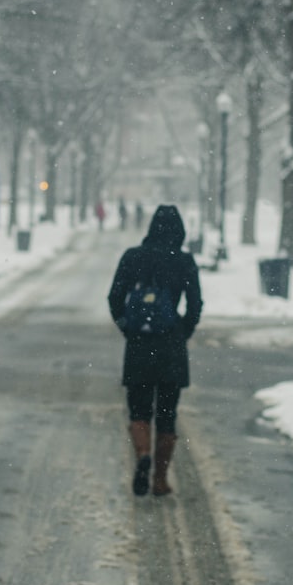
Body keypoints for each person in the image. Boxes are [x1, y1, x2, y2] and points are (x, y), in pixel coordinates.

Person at [107, 205, 203, 496]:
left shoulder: (133, 257)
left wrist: (130, 328)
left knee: (138, 410)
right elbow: (195, 305)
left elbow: (115, 298)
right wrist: (181, 331)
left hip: (139, 347)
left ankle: (142, 456)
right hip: (170, 349)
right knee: (166, 415)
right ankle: (160, 479)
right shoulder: (184, 262)